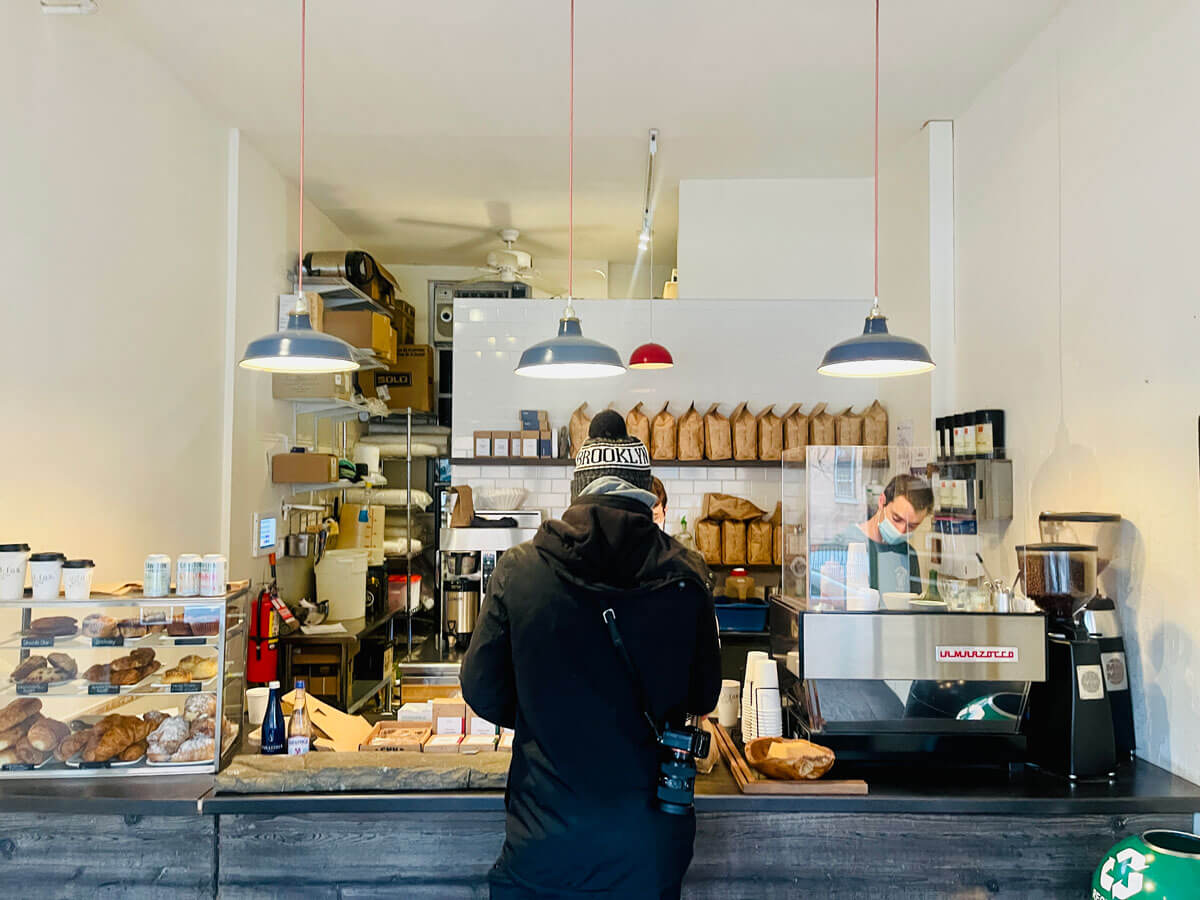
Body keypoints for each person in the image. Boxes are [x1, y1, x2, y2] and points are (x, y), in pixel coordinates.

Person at [461, 411, 723, 899]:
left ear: (579, 492)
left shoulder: (519, 571)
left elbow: (481, 691)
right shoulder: (688, 577)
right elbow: (704, 693)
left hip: (544, 850)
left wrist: (548, 714)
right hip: (648, 850)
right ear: (646, 495)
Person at [834, 473, 934, 595]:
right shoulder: (845, 544)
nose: (901, 530)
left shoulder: (907, 554)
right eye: (897, 519)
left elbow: (912, 606)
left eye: (912, 526)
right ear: (882, 502)